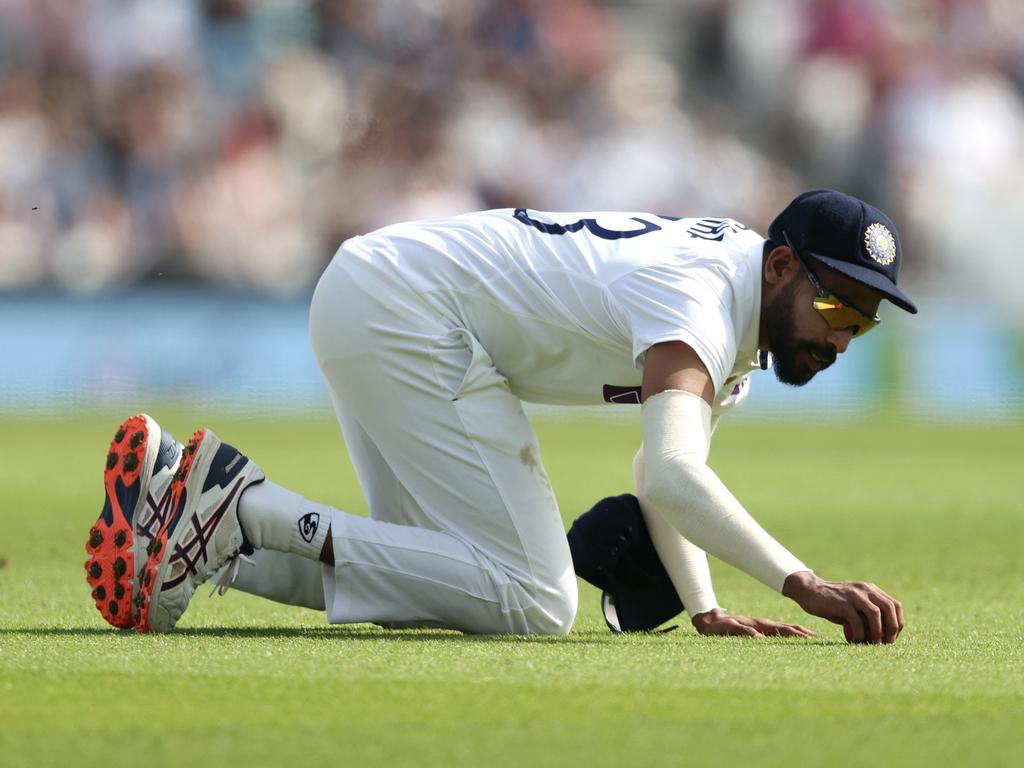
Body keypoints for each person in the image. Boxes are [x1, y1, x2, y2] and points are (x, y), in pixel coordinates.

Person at [85, 189, 912, 643]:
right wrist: (805, 585)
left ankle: (186, 535)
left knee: (423, 580)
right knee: (536, 601)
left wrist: (703, 607)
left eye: (864, 320)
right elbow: (670, 472)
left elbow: (663, 477)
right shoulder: (700, 294)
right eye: (837, 303)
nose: (843, 335)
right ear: (779, 267)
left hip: (377, 294)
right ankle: (240, 505)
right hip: (408, 312)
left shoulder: (737, 322)